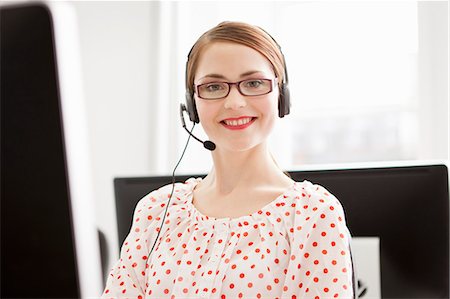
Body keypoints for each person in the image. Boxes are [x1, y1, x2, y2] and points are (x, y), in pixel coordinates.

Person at [102, 21, 354, 299]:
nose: (234, 102)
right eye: (213, 86)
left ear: (281, 95)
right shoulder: (156, 210)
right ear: (192, 104)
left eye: (254, 83)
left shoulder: (311, 213)